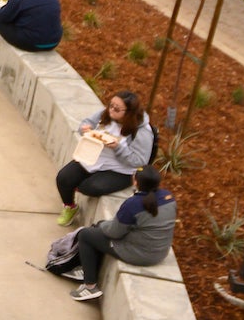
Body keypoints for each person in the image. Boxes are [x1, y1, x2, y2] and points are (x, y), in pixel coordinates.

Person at [52, 167, 177, 302]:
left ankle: (90, 286)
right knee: (99, 232)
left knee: (86, 235)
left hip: (139, 254)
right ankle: (87, 269)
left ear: (136, 182)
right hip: (159, 252)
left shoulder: (133, 204)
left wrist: (101, 224)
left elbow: (114, 232)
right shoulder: (168, 197)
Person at [55, 90, 154, 225]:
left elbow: (139, 160)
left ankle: (88, 185)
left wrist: (118, 148)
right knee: (63, 178)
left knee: (89, 187)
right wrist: (85, 128)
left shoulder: (142, 132)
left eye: (117, 109)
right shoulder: (107, 113)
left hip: (120, 169)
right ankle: (70, 207)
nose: (111, 110)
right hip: (93, 158)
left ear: (129, 112)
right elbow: (87, 122)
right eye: (111, 105)